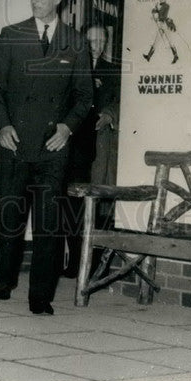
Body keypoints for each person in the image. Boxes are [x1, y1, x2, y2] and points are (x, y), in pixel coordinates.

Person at [0, 0, 92, 315]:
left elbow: (83, 97)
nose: (35, 0)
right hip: (15, 144)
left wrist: (67, 128)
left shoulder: (76, 43)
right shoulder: (11, 35)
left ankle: (40, 296)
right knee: (10, 218)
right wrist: (2, 126)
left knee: (49, 224)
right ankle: (4, 280)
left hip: (52, 148)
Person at [60, 23, 122, 278]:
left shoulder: (114, 71)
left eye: (100, 41)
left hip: (99, 148)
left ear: (106, 43)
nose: (95, 46)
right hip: (74, 148)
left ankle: (96, 266)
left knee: (98, 205)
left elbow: (120, 100)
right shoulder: (71, 68)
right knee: (73, 204)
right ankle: (75, 263)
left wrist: (109, 115)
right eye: (90, 40)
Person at [143, 0, 178, 64]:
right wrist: (155, 9)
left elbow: (163, 17)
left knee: (170, 41)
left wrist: (157, 10)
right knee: (156, 41)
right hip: (160, 25)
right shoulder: (159, 5)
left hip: (164, 25)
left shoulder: (166, 6)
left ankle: (176, 56)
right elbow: (153, 12)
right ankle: (149, 56)